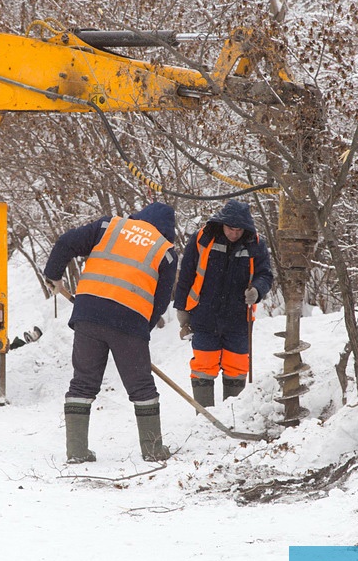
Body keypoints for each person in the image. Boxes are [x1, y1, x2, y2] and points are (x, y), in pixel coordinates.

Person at [44, 202, 177, 463]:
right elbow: (160, 301)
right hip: (129, 322)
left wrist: (53, 275)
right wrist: (141, 330)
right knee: (141, 386)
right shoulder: (166, 252)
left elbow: (66, 242)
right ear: (166, 230)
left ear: (139, 217)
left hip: (88, 314)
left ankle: (77, 451)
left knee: (83, 382)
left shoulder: (109, 226)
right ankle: (152, 450)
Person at [173, 198, 273, 408]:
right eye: (230, 228)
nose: (234, 233)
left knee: (236, 367)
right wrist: (182, 310)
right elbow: (186, 275)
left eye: (238, 230)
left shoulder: (254, 243)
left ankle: (234, 417)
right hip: (205, 315)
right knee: (203, 367)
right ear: (222, 223)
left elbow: (265, 274)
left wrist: (257, 290)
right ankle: (206, 420)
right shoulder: (203, 238)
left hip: (239, 319)